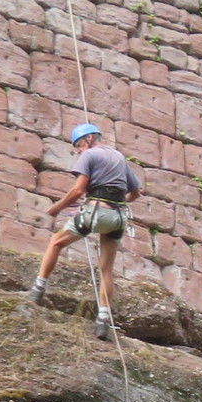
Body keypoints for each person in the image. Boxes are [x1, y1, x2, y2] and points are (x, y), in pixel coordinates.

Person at [27, 122, 142, 339]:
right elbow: (135, 193)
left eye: (79, 145)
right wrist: (116, 202)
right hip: (118, 218)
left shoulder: (89, 155)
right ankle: (103, 319)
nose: (79, 151)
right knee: (106, 270)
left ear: (89, 139)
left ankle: (37, 290)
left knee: (56, 242)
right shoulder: (119, 157)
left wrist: (57, 207)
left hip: (96, 213)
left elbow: (78, 190)